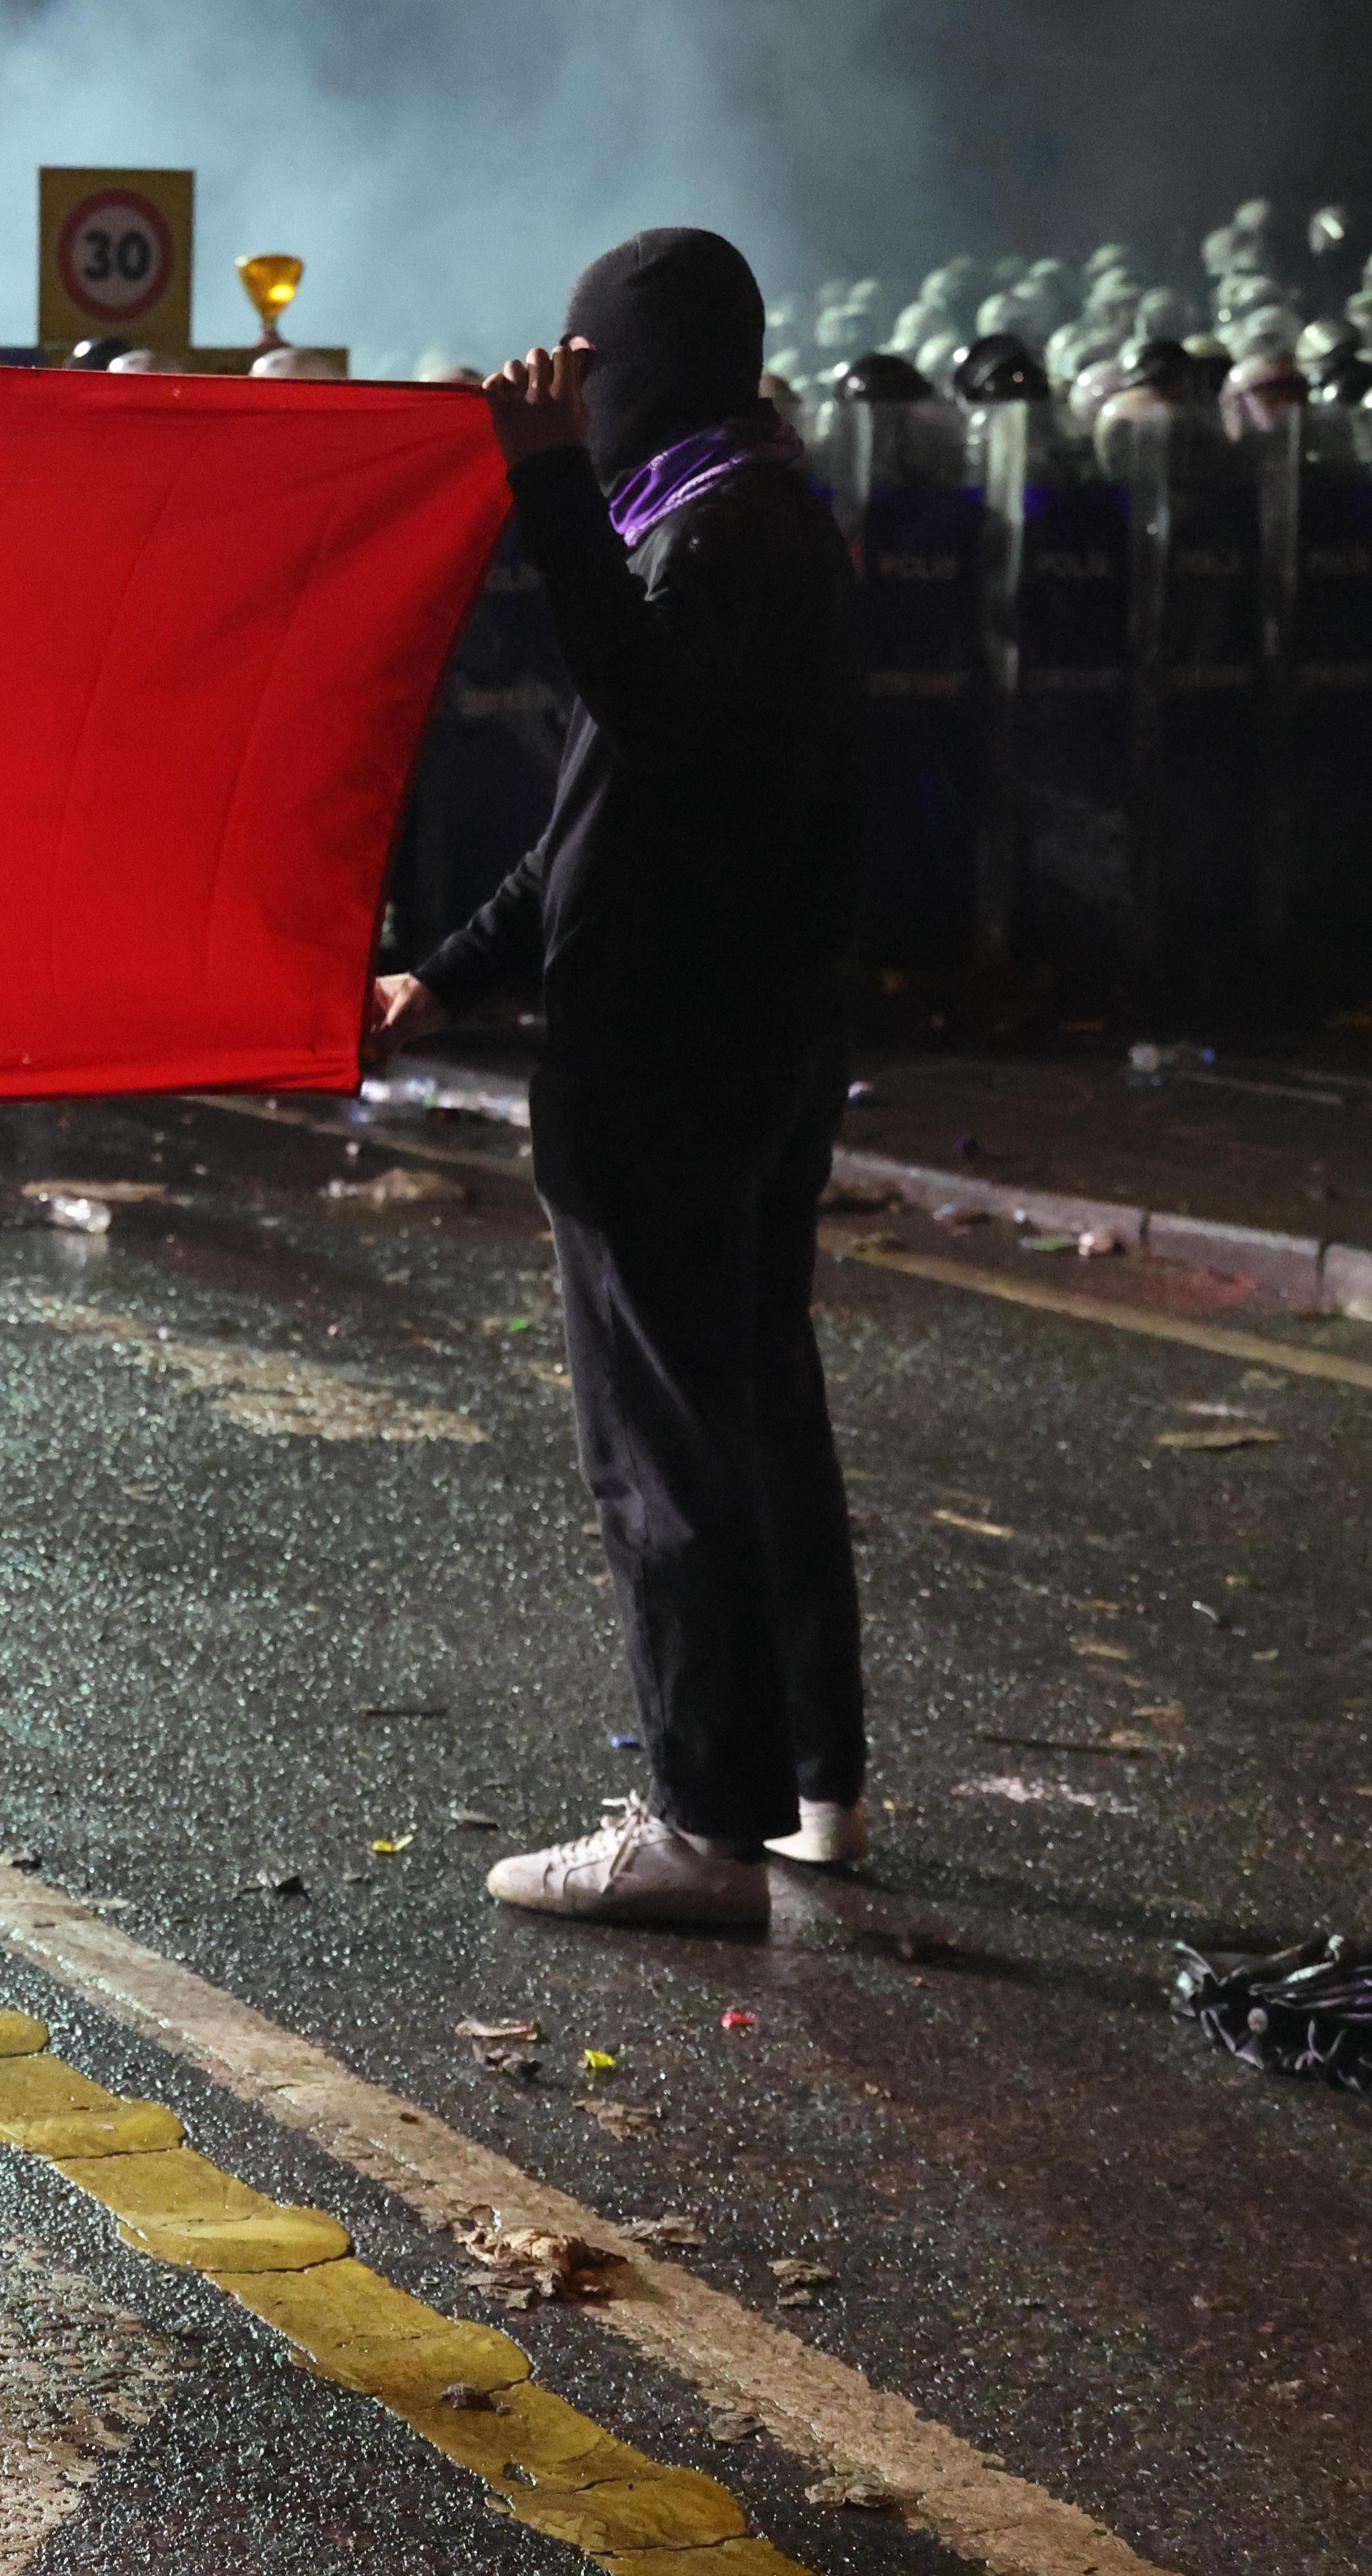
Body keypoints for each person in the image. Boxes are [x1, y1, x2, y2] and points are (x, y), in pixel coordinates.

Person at [369, 227, 867, 1930]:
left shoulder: (710, 537)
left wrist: (540, 488)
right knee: (751, 1411)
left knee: (664, 1445)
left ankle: (700, 1825)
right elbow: (603, 824)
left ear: (635, 364)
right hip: (749, 1036)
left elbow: (637, 713)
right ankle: (810, 1785)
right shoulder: (753, 519)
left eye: (588, 367)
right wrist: (447, 972)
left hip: (672, 1057)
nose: (568, 396)